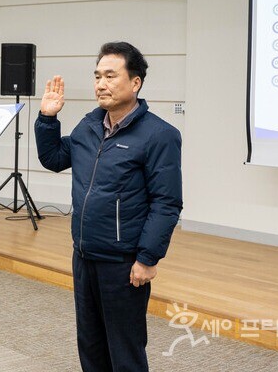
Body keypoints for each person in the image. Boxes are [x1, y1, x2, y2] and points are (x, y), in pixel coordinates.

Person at [34, 41, 182, 372]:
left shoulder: (159, 135)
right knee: (90, 344)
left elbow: (167, 203)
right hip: (84, 256)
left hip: (124, 263)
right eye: (98, 76)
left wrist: (147, 258)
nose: (101, 84)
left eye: (111, 76)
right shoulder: (89, 126)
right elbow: (55, 158)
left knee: (124, 350)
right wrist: (47, 118)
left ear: (135, 83)